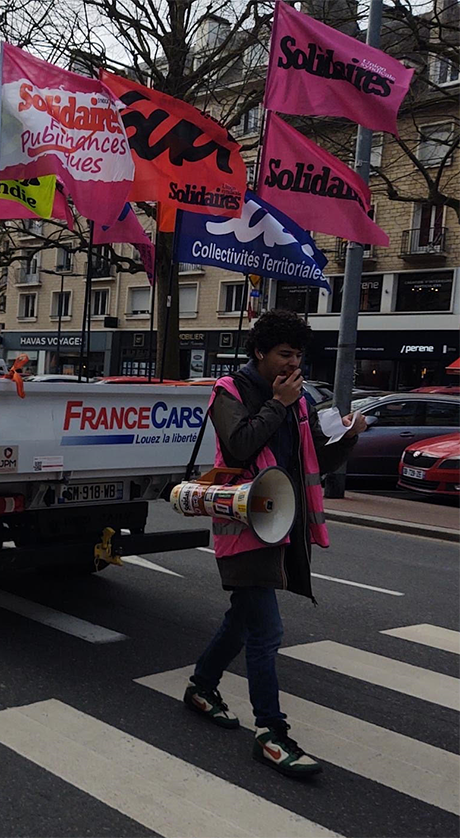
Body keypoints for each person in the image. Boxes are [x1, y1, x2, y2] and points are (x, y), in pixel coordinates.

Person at [183, 310, 367, 779]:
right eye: (285, 354)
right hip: (245, 526)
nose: (293, 364)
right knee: (266, 632)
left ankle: (202, 686)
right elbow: (241, 445)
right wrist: (279, 405)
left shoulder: (297, 401)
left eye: (299, 356)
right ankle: (270, 733)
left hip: (281, 522)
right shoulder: (229, 391)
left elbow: (312, 461)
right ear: (261, 351)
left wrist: (346, 439)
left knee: (243, 622)